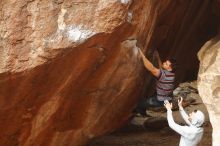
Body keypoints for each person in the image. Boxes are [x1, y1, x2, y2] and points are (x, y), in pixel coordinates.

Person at [136, 48, 177, 116]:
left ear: (170, 68)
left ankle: (140, 111)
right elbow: (161, 68)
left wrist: (142, 56)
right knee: (148, 96)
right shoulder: (171, 74)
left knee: (140, 104)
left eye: (166, 64)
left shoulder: (164, 75)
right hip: (167, 97)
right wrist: (157, 57)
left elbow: (151, 68)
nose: (164, 63)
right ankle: (143, 110)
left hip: (161, 100)